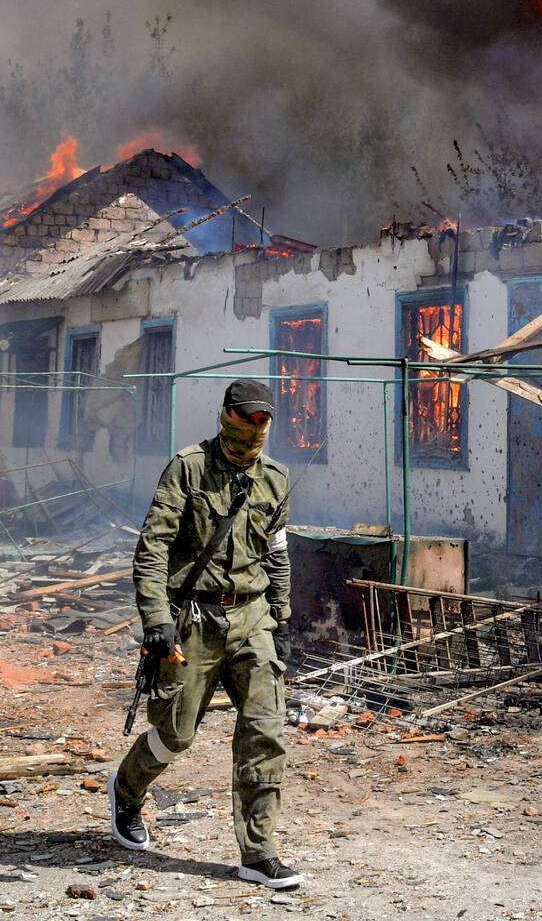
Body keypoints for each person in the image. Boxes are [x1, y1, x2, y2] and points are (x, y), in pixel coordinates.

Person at [108, 378, 302, 890]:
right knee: (175, 732)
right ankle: (127, 791)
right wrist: (157, 620)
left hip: (252, 618)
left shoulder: (276, 479)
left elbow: (277, 554)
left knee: (265, 732)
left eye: (264, 420)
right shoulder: (188, 468)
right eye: (247, 418)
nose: (255, 428)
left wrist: (281, 617)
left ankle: (258, 854)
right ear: (226, 416)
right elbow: (152, 549)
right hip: (192, 620)